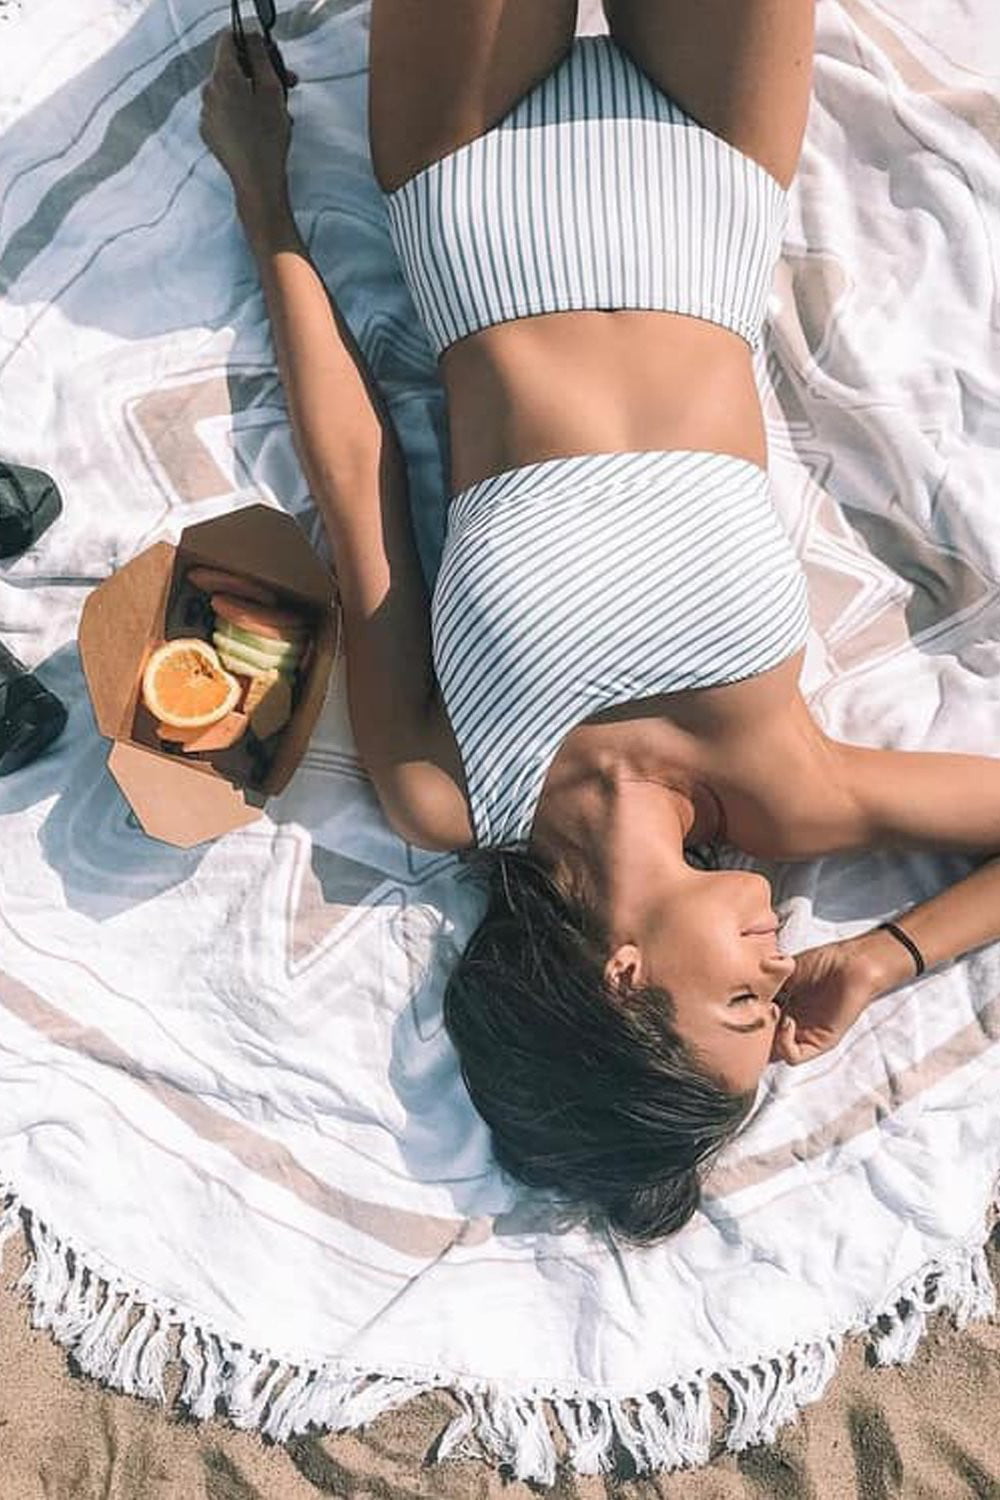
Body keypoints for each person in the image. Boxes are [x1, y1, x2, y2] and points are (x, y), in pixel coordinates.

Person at [200, 2, 1000, 1244]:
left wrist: (264, 199)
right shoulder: (785, 795)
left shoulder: (449, 792)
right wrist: (886, 957)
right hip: (711, 169)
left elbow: (360, 482)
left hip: (472, 187)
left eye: (741, 1005)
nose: (781, 965)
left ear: (623, 981)